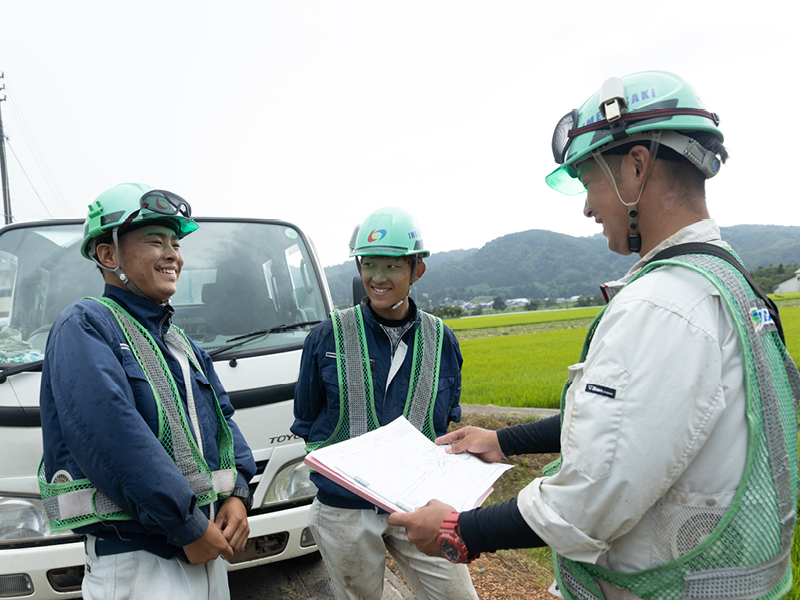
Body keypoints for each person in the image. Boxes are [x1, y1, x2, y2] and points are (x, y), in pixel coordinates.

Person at [389, 70, 800, 600]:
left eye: (589, 183)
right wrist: (500, 439)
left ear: (635, 168)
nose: (586, 208)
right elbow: (632, 426)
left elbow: (590, 498)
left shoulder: (661, 308)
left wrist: (459, 531)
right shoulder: (729, 283)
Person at [39, 183, 257, 600]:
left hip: (204, 549)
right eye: (156, 241)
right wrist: (188, 526)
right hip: (138, 562)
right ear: (108, 255)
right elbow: (114, 439)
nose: (173, 253)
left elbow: (224, 422)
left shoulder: (181, 343)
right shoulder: (85, 325)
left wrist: (237, 496)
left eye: (175, 243)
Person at [291, 207, 478, 600]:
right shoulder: (328, 336)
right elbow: (307, 419)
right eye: (368, 264)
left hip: (419, 503)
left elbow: (446, 421)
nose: (377, 277)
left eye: (392, 266)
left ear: (417, 270)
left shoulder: (442, 339)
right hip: (345, 508)